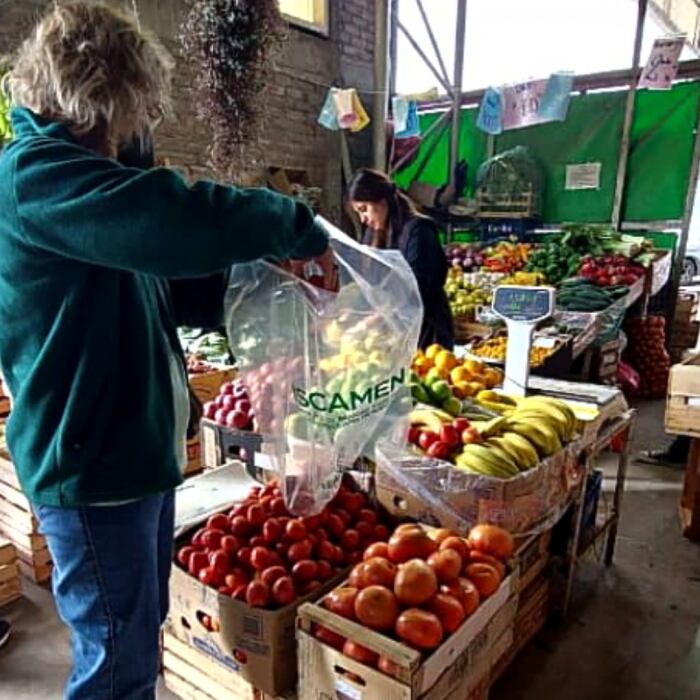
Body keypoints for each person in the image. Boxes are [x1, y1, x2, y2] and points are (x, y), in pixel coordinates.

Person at [0, 3, 334, 699]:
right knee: (116, 661)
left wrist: (256, 287)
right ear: (92, 101)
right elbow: (166, 216)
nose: (128, 135)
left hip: (134, 458)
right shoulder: (36, 177)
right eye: (123, 117)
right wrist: (291, 225)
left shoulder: (90, 186)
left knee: (135, 638)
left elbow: (165, 283)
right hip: (91, 467)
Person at [347, 168, 454, 350]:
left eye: (364, 209)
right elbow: (371, 282)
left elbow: (419, 289)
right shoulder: (373, 235)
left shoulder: (418, 230)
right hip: (397, 332)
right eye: (358, 212)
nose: (363, 219)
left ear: (381, 201)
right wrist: (352, 312)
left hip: (428, 334)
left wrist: (376, 319)